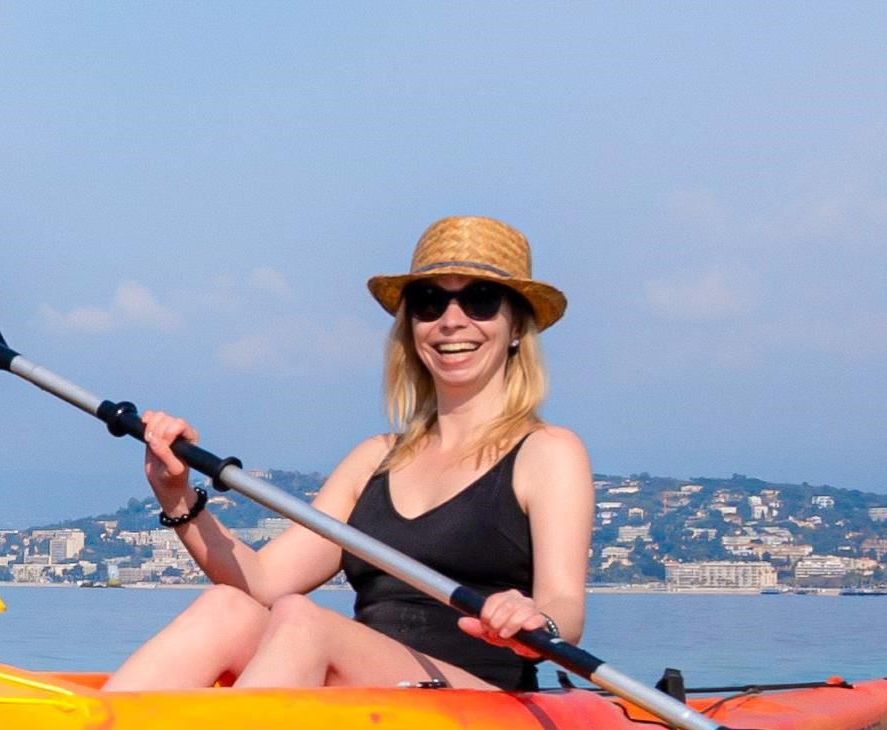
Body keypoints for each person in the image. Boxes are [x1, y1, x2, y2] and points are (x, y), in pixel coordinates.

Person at [104, 216, 592, 691]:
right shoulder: (374, 459)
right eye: (429, 302)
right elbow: (262, 583)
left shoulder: (547, 452)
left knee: (302, 619)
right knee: (225, 609)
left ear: (516, 329)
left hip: (478, 705)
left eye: (481, 301)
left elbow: (565, 607)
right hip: (373, 701)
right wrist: (176, 496)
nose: (451, 321)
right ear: (411, 326)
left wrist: (535, 618)